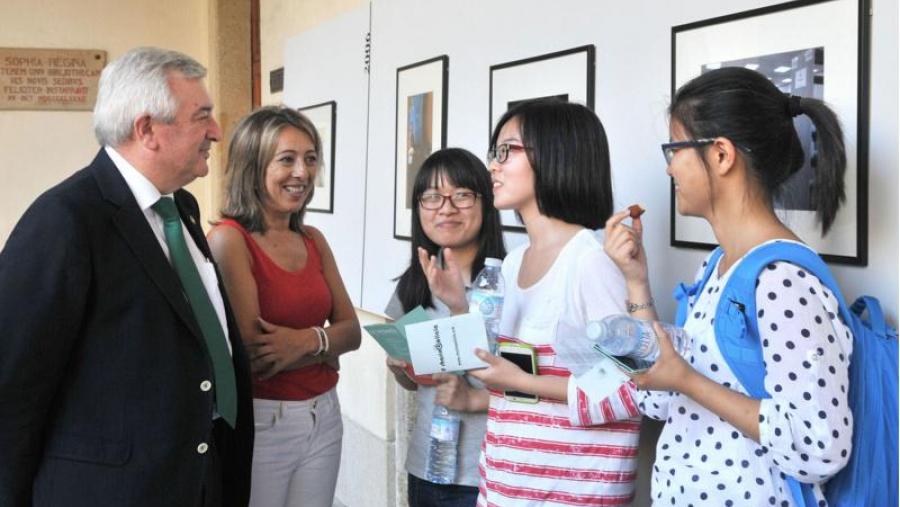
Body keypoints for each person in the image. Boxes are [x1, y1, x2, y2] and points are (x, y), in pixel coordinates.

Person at [0, 47, 253, 506]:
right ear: (147, 130)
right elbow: (12, 386)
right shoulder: (65, 220)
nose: (216, 131)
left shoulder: (182, 208)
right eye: (202, 117)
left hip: (197, 477)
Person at [603, 67, 852, 505]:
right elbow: (657, 400)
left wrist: (689, 381)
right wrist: (635, 281)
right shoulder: (717, 266)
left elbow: (821, 447)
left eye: (675, 148)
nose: (669, 166)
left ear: (720, 155)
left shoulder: (783, 281)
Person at [423, 99, 642, 506]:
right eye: (495, 152)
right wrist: (457, 306)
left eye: (507, 151)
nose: (493, 165)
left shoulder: (591, 260)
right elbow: (499, 371)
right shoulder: (514, 262)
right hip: (506, 487)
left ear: (555, 155)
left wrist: (521, 382)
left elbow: (629, 387)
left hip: (574, 494)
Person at [207, 105, 361, 507]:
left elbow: (354, 332)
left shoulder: (313, 238)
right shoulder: (229, 240)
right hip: (265, 421)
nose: (303, 173)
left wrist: (305, 342)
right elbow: (257, 356)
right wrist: (328, 347)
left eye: (310, 159)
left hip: (325, 415)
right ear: (252, 165)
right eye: (287, 159)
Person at [384, 148, 506, 507]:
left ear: (486, 203)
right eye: (432, 197)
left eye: (462, 196)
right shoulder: (412, 284)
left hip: (487, 470)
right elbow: (409, 381)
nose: (446, 208)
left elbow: (526, 386)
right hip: (427, 464)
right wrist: (402, 368)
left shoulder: (510, 281)